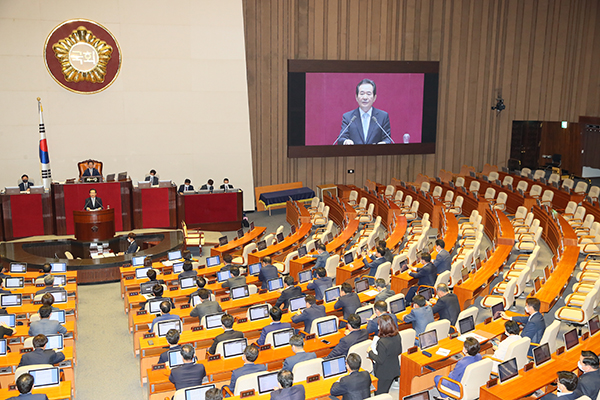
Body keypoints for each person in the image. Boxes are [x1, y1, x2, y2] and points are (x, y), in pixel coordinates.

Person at [336, 78, 391, 145]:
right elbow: (341, 138)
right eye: (362, 94)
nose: (365, 97)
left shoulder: (383, 116)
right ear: (356, 97)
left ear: (374, 98)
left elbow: (388, 139)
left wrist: (383, 143)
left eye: (368, 93)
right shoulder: (348, 117)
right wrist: (346, 141)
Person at [368, 314, 403, 394]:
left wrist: (370, 352)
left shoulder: (382, 342)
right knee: (385, 391)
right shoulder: (397, 335)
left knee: (379, 394)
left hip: (383, 372)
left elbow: (380, 360)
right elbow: (399, 351)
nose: (378, 327)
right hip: (394, 368)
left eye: (379, 325)